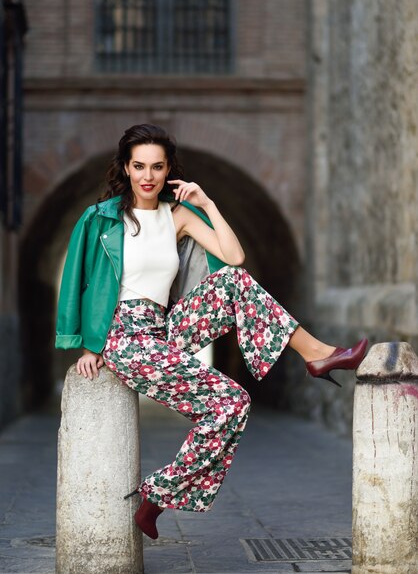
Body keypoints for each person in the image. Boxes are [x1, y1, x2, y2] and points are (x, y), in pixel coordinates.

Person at [55, 123, 368, 540]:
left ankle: (317, 354)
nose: (148, 176)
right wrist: (88, 345)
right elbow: (76, 282)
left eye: (158, 167)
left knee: (234, 282)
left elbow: (233, 256)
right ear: (126, 168)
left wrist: (207, 202)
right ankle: (157, 496)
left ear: (169, 171)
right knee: (232, 402)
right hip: (122, 338)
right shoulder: (100, 219)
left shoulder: (178, 215)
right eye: (139, 166)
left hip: (163, 326)